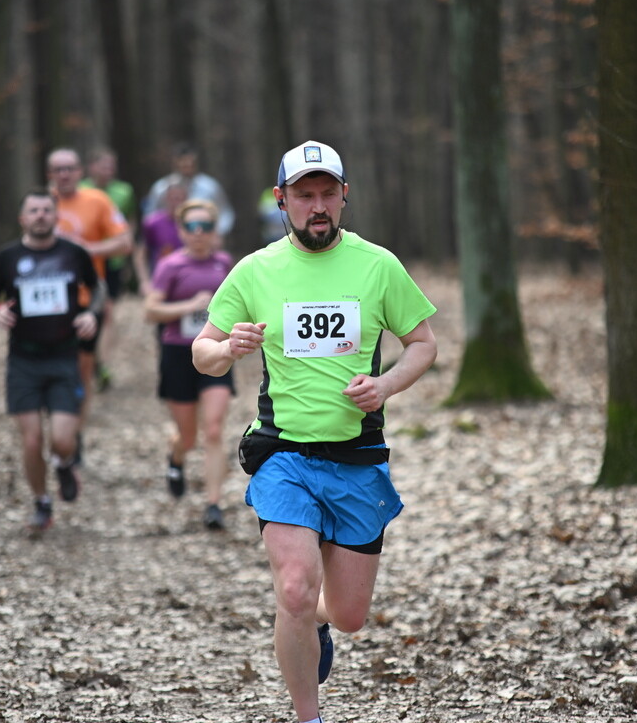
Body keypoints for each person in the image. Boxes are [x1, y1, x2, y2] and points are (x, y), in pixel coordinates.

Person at [192, 140, 437, 723]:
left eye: (328, 193)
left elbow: (423, 345)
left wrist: (387, 386)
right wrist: (228, 348)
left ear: (345, 197)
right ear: (282, 201)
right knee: (296, 589)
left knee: (348, 614)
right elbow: (202, 352)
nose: (317, 205)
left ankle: (322, 624)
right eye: (304, 195)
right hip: (283, 455)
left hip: (357, 457)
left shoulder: (378, 266)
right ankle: (309, 716)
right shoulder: (254, 270)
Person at [0, 191, 103, 534]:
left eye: (47, 210)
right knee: (31, 440)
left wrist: (91, 313)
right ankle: (41, 502)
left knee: (62, 439)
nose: (41, 215)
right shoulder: (7, 257)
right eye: (34, 210)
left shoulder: (73, 253)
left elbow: (97, 287)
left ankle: (63, 463)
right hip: (23, 360)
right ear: (23, 219)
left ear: (56, 216)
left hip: (64, 357)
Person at [143, 200, 235, 530]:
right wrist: (189, 306)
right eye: (192, 227)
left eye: (206, 227)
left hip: (217, 354)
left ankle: (213, 505)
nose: (199, 234)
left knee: (213, 429)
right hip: (178, 354)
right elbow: (150, 311)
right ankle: (177, 455)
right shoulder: (170, 265)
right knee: (190, 436)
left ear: (215, 231)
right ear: (181, 231)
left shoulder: (224, 264)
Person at [47, 147, 133, 470]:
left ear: (80, 171)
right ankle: (58, 430)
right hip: (49, 305)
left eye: (70, 168)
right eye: (58, 169)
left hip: (86, 300)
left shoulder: (96, 200)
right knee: (52, 369)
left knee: (82, 369)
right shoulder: (42, 204)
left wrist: (89, 249)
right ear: (50, 174)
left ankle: (75, 434)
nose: (64, 174)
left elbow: (124, 242)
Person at [80, 146, 137, 390]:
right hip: (84, 263)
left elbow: (130, 222)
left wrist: (126, 249)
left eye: (111, 166)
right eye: (103, 165)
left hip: (111, 261)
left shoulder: (123, 191)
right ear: (91, 167)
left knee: (108, 311)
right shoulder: (80, 190)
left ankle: (101, 363)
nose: (107, 170)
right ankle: (88, 359)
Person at [142, 142, 235, 238]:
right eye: (183, 163)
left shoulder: (210, 187)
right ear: (175, 163)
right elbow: (150, 214)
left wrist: (217, 233)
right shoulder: (161, 188)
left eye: (190, 162)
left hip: (203, 236)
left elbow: (225, 212)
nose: (187, 166)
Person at [133, 180, 187, 292]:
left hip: (186, 281)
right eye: (173, 198)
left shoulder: (193, 224)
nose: (176, 202)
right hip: (160, 282)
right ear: (166, 199)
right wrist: (144, 281)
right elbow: (141, 254)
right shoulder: (152, 223)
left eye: (180, 198)